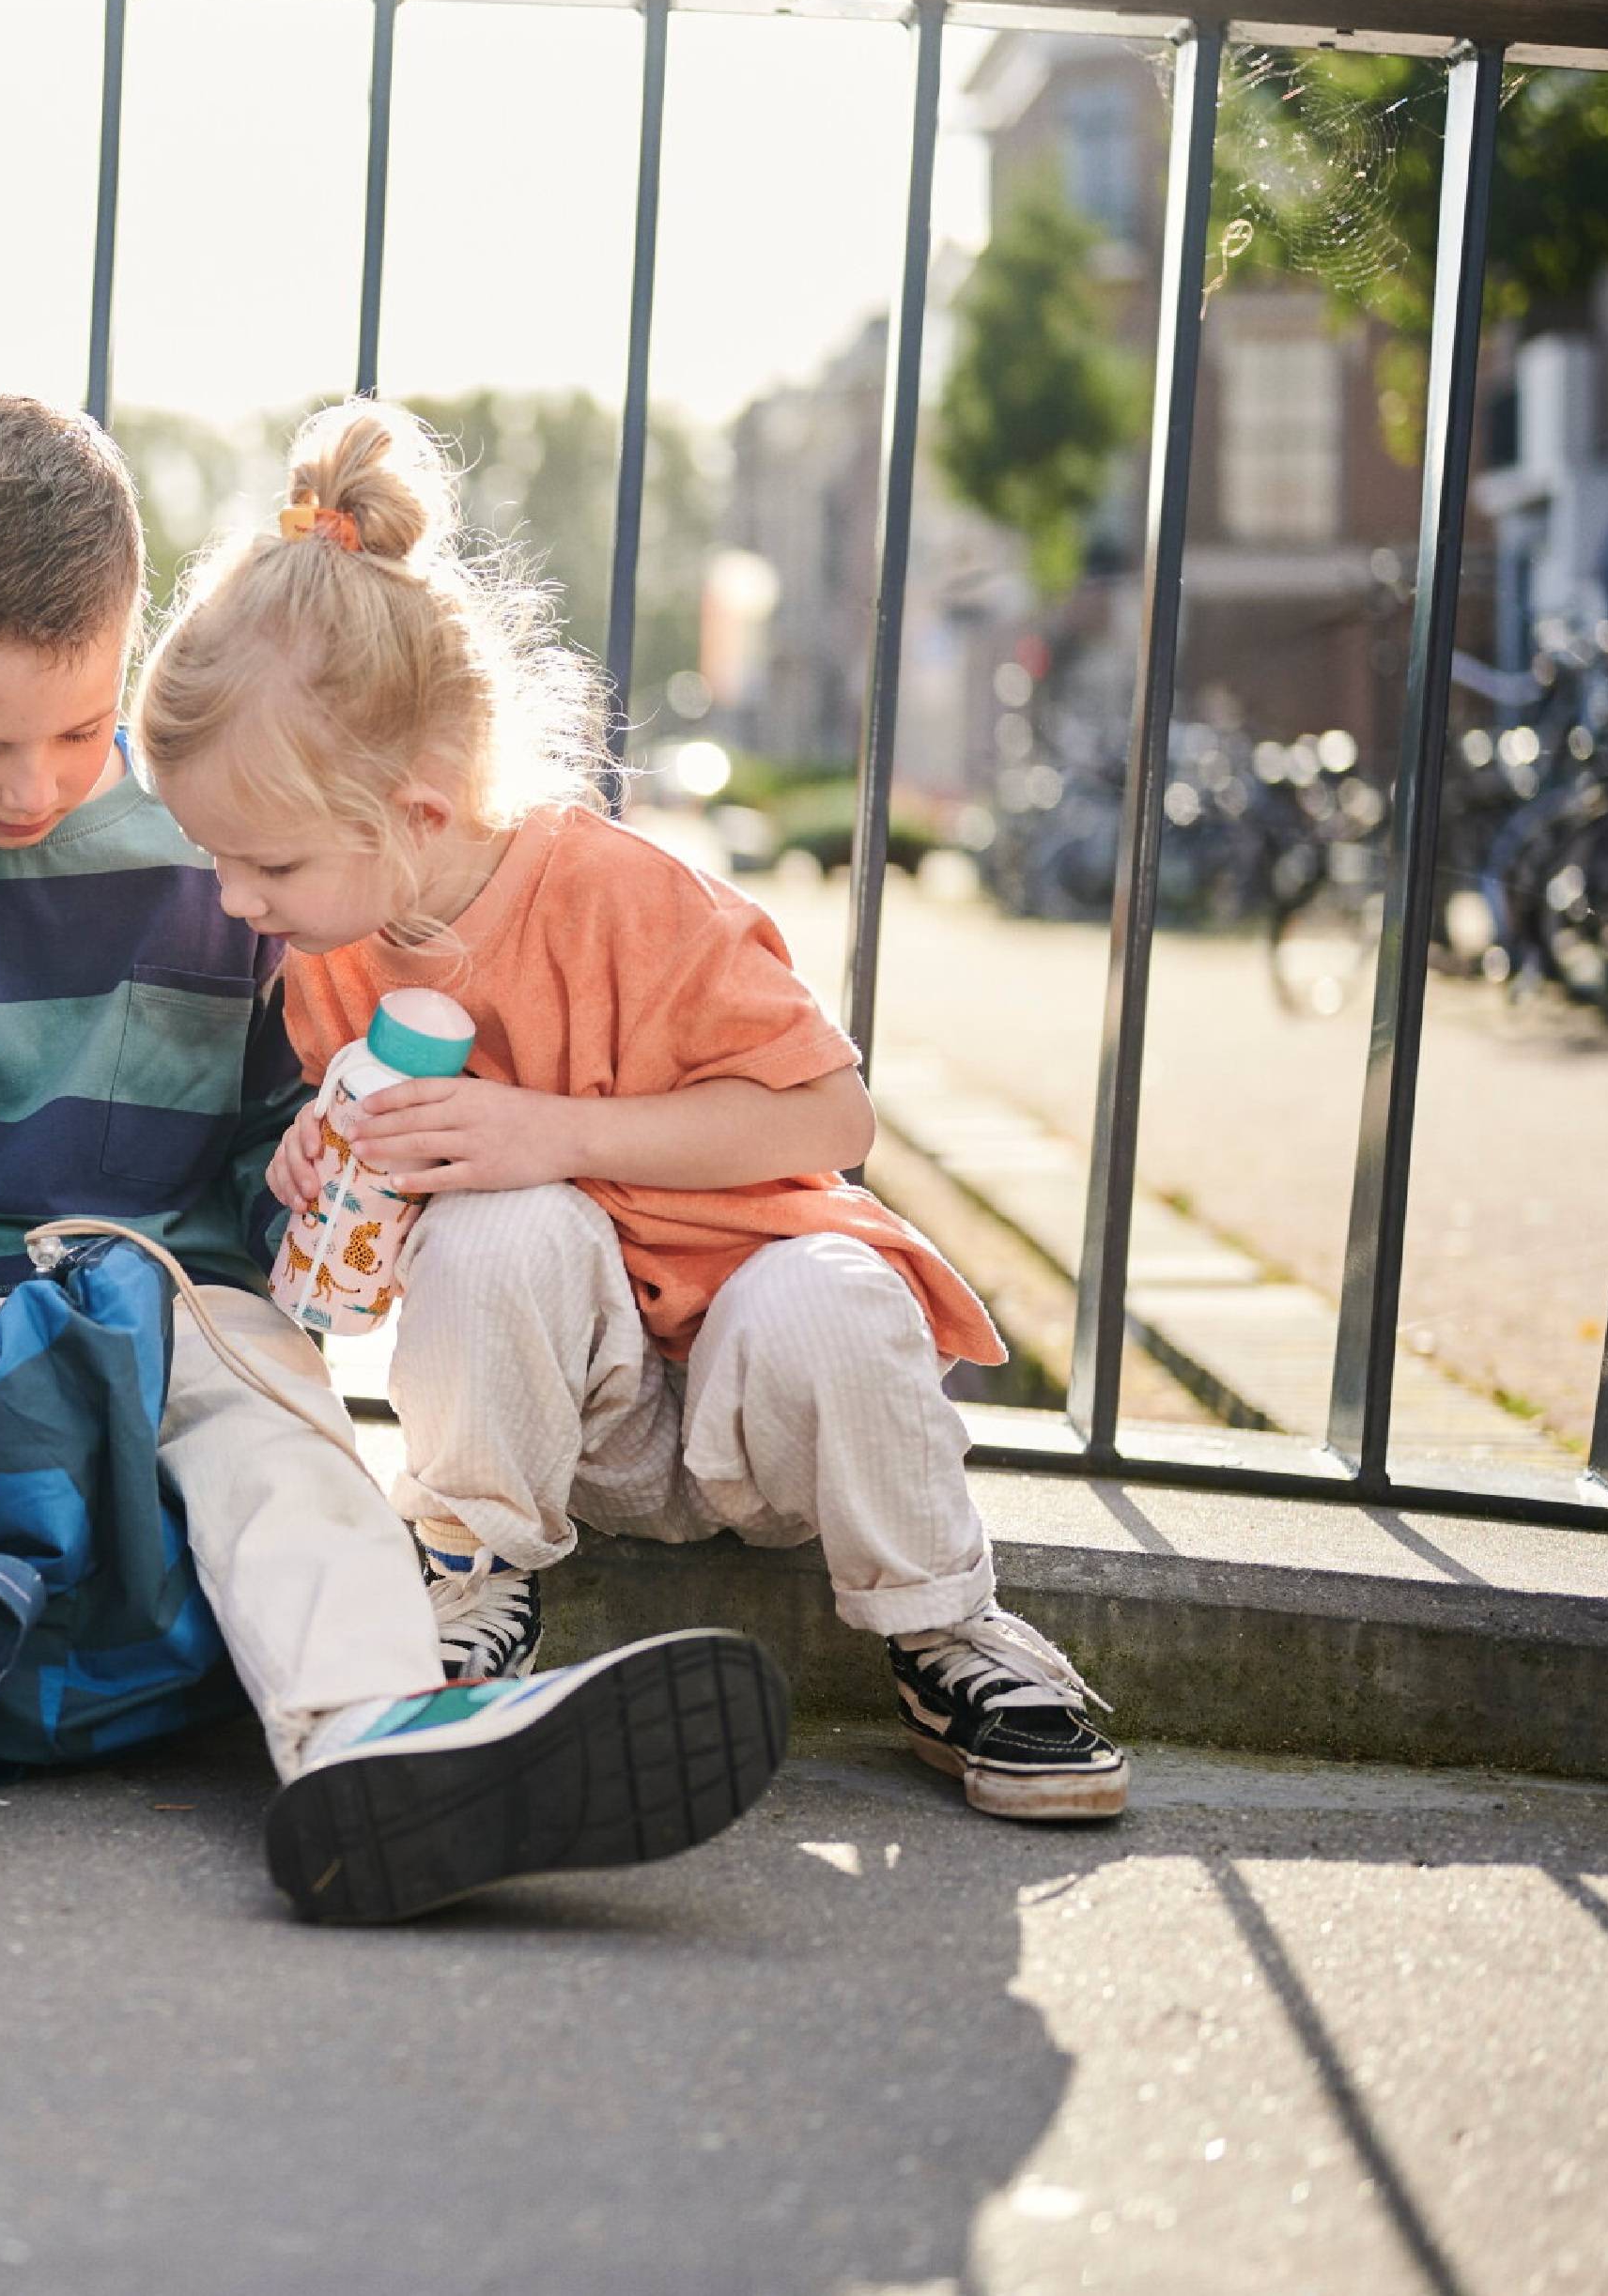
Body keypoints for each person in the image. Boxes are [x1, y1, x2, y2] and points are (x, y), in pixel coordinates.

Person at [0, 389, 784, 1923]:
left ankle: (377, 1741)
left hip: (160, 1304)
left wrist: (303, 1178)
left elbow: (260, 1126)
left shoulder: (212, 842)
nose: (27, 785)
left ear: (124, 652)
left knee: (281, 1451)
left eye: (75, 724)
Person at [136, 399, 1127, 1823]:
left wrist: (555, 1130)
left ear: (414, 813)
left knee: (832, 1294)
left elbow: (828, 1118)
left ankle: (943, 1628)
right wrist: (325, 1154)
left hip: (757, 1396)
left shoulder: (629, 899)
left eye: (265, 862)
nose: (234, 900)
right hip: (574, 1422)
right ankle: (475, 1572)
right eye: (215, 858)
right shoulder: (332, 957)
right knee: (497, 1231)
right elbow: (410, 1206)